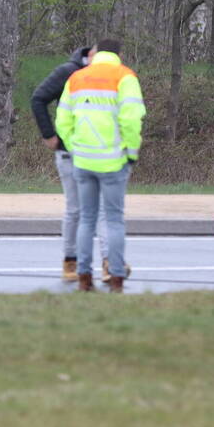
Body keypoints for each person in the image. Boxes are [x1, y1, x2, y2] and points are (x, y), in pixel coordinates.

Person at [54, 38, 145, 292]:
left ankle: (84, 278)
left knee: (86, 219)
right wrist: (131, 152)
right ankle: (116, 277)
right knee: (114, 219)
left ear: (96, 53)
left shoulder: (77, 77)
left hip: (82, 160)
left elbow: (62, 120)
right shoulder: (125, 77)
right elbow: (131, 119)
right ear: (119, 54)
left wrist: (74, 148)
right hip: (114, 161)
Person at [31, 46, 112, 282]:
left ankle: (109, 263)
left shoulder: (111, 76)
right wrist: (49, 135)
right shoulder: (68, 71)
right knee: (76, 209)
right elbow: (38, 99)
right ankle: (70, 261)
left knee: (104, 211)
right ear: (92, 54)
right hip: (71, 154)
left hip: (102, 153)